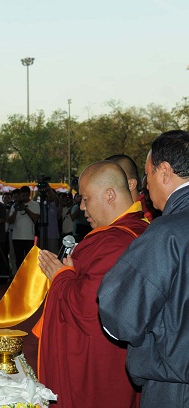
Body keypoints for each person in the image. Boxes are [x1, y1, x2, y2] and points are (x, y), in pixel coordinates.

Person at [37, 160, 148, 407]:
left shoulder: (116, 242)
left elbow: (89, 306)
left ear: (109, 195)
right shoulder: (132, 231)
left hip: (99, 369)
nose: (82, 206)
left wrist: (61, 276)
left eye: (86, 198)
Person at [98, 130, 189, 407]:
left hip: (175, 387)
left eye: (148, 175)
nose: (146, 187)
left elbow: (119, 316)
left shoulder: (168, 232)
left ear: (164, 171)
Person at [8, 186, 40, 268]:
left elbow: (35, 218)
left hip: (29, 237)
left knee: (29, 259)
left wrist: (26, 209)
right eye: (22, 195)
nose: (24, 197)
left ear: (29, 195)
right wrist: (16, 210)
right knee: (19, 259)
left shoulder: (35, 204)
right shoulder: (15, 205)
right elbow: (10, 221)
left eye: (26, 195)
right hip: (16, 236)